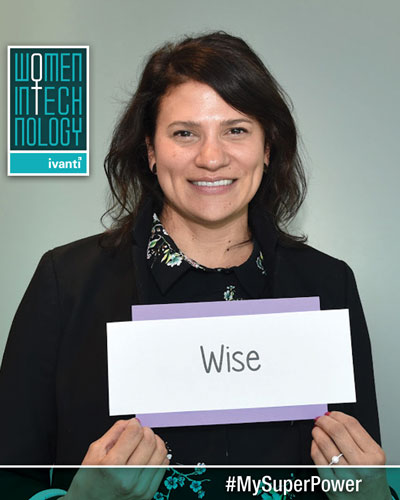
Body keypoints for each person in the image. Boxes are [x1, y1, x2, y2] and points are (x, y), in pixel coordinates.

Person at [0, 32, 395, 500]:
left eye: (237, 129)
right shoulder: (67, 283)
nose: (211, 157)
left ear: (267, 148)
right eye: (185, 133)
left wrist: (370, 493)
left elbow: (357, 470)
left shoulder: (328, 286)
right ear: (150, 149)